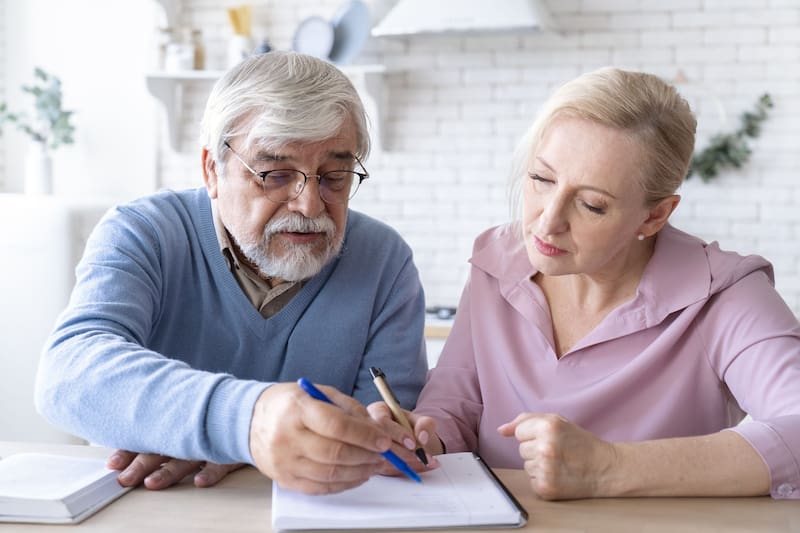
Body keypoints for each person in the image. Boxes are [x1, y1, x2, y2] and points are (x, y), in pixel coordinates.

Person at [370, 67, 800, 500]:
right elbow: (453, 405)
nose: (547, 221)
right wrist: (422, 439)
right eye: (541, 179)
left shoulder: (724, 293)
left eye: (592, 205)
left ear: (654, 216)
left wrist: (608, 468)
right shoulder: (495, 263)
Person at [34, 51, 428, 495]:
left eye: (334, 176)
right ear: (212, 170)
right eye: (276, 174)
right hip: (148, 506)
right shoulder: (144, 230)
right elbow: (69, 373)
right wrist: (245, 424)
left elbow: (380, 434)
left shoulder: (385, 260)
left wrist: (217, 439)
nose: (310, 205)